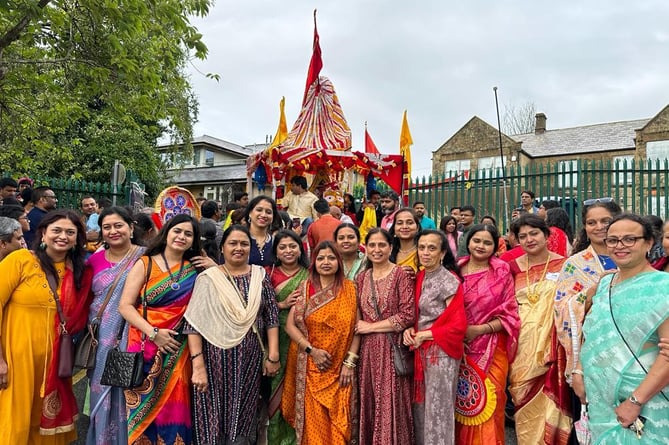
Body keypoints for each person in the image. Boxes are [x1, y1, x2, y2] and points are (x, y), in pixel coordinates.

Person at [0, 209, 93, 443]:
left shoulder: (81, 272)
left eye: (70, 232)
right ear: (43, 234)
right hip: (16, 357)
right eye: (57, 230)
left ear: (77, 238)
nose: (63, 236)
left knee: (43, 418)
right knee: (15, 414)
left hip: (56, 359)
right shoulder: (21, 260)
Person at [184, 225, 280, 445]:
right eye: (233, 243)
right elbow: (193, 324)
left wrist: (273, 355)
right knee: (211, 414)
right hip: (213, 360)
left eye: (244, 244)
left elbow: (271, 317)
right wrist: (198, 366)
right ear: (222, 248)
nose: (239, 248)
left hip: (249, 360)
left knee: (244, 414)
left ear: (250, 248)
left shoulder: (260, 276)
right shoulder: (208, 278)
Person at [580, 213, 669, 442]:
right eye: (613, 240)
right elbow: (592, 335)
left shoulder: (663, 287)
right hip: (601, 401)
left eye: (630, 239)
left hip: (647, 405)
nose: (620, 246)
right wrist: (579, 372)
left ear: (649, 243)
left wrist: (635, 401)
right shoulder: (604, 285)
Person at [118, 214, 202, 444]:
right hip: (144, 346)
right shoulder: (145, 263)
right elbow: (125, 306)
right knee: (140, 414)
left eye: (188, 234)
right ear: (166, 233)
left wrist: (213, 266)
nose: (181, 237)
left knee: (174, 409)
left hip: (177, 349)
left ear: (194, 241)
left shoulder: (196, 271)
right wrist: (154, 334)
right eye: (177, 231)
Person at [282, 241, 359, 445]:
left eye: (331, 258)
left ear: (339, 262)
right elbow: (290, 325)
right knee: (313, 428)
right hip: (310, 367)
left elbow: (357, 329)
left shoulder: (350, 289)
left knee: (340, 426)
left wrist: (349, 364)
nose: (326, 262)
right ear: (314, 262)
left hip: (340, 372)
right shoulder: (306, 288)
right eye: (321, 258)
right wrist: (311, 350)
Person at [507, 214, 571, 445]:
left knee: (553, 403)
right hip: (520, 344)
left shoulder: (566, 265)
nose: (529, 239)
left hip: (553, 345)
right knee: (522, 397)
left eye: (534, 233)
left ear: (546, 235)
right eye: (522, 236)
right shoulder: (510, 267)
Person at [86, 207, 146, 445]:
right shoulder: (94, 260)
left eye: (118, 225)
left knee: (131, 389)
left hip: (134, 335)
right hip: (102, 340)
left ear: (131, 227)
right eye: (107, 227)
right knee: (102, 388)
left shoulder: (147, 256)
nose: (113, 231)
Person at [456, 224, 520, 444]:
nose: (481, 246)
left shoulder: (501, 271)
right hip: (457, 348)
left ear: (495, 246)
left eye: (487, 242)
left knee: (489, 407)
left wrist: (478, 330)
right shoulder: (455, 268)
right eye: (477, 240)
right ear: (468, 241)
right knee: (460, 405)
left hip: (491, 348)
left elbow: (510, 314)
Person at [403, 229, 467, 445]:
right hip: (421, 351)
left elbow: (458, 326)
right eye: (421, 247)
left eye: (432, 248)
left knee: (438, 411)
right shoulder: (420, 276)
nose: (425, 252)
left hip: (441, 354)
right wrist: (409, 330)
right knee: (420, 409)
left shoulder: (449, 281)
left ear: (442, 253)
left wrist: (426, 335)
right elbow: (416, 315)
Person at [554, 201, 622, 391]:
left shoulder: (632, 257)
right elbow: (562, 308)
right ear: (585, 227)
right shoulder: (574, 264)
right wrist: (594, 290)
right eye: (592, 222)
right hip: (592, 349)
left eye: (605, 221)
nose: (599, 227)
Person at [356, 228, 415, 445]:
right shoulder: (361, 278)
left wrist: (371, 328)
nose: (377, 249)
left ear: (391, 247)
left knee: (393, 401)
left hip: (392, 350)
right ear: (366, 248)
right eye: (372, 245)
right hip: (367, 352)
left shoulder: (401, 274)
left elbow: (407, 315)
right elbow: (357, 316)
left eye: (382, 245)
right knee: (371, 400)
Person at [266, 230, 309, 444]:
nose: (288, 251)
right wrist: (281, 305)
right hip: (274, 340)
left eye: (293, 246)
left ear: (301, 249)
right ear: (275, 251)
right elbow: (257, 308)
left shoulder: (311, 274)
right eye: (282, 247)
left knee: (300, 390)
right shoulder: (268, 274)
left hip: (304, 340)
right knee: (276, 391)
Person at [243, 196, 282, 267]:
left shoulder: (276, 242)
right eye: (259, 210)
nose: (263, 215)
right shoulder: (239, 238)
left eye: (268, 212)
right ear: (250, 213)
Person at [389, 208, 421, 273]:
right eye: (400, 223)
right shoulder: (387, 252)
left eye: (409, 223)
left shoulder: (424, 252)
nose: (404, 226)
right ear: (394, 228)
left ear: (417, 227)